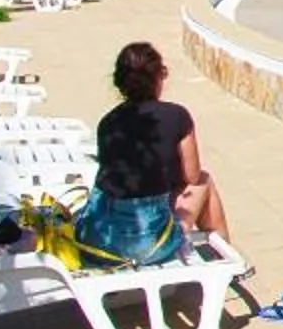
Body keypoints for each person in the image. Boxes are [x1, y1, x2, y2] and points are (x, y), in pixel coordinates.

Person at [92, 41, 247, 275]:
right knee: (204, 181)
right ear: (160, 76)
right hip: (149, 244)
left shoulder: (108, 123)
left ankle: (226, 261)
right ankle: (227, 263)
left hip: (105, 238)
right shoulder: (176, 116)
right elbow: (192, 175)